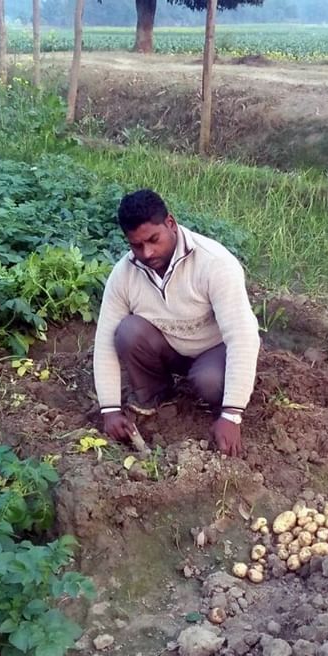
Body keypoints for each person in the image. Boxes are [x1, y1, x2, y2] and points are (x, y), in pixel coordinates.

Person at [93, 189, 260, 457]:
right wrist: (110, 409)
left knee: (208, 381)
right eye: (136, 245)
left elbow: (243, 335)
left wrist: (232, 414)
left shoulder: (214, 263)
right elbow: (104, 341)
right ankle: (155, 391)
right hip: (170, 349)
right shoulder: (124, 275)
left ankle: (219, 404)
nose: (147, 252)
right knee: (128, 331)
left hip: (214, 351)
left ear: (170, 223)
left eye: (153, 240)